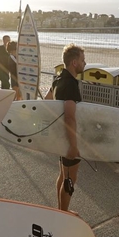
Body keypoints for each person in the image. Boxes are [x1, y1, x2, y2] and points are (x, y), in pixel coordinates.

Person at [49, 44, 86, 212]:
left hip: (59, 136)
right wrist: (73, 145)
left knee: (63, 175)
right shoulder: (71, 84)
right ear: (74, 62)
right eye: (82, 60)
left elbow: (47, 101)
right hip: (68, 137)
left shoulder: (57, 78)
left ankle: (61, 210)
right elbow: (70, 116)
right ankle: (63, 214)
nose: (84, 63)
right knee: (70, 178)